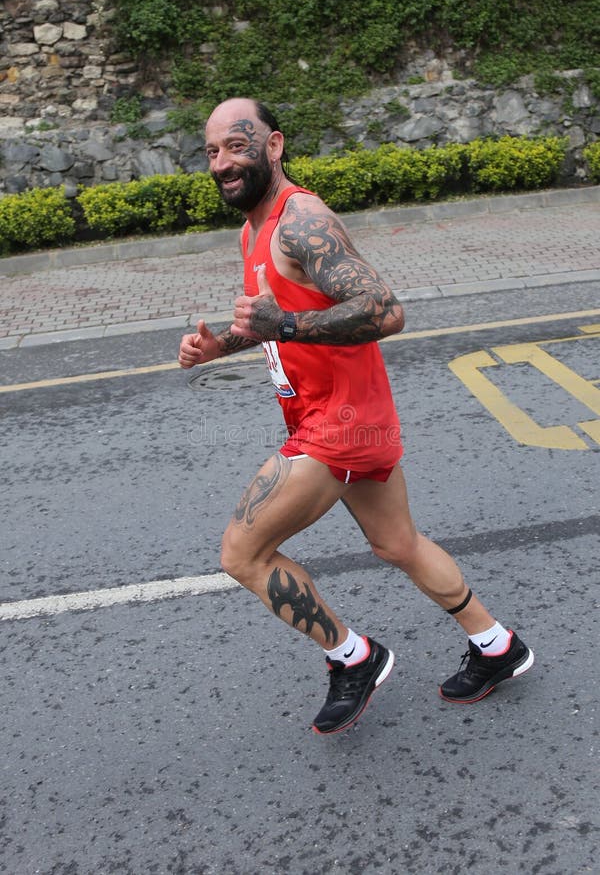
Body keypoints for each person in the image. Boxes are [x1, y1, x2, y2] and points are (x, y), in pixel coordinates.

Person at [178, 97, 534, 735]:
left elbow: (385, 308)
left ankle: (354, 657)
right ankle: (498, 645)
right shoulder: (252, 228)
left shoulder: (301, 220)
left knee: (242, 554)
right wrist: (221, 345)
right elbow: (275, 318)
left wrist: (282, 322)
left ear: (275, 145)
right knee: (397, 543)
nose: (223, 163)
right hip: (346, 418)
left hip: (337, 425)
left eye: (237, 146)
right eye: (211, 152)